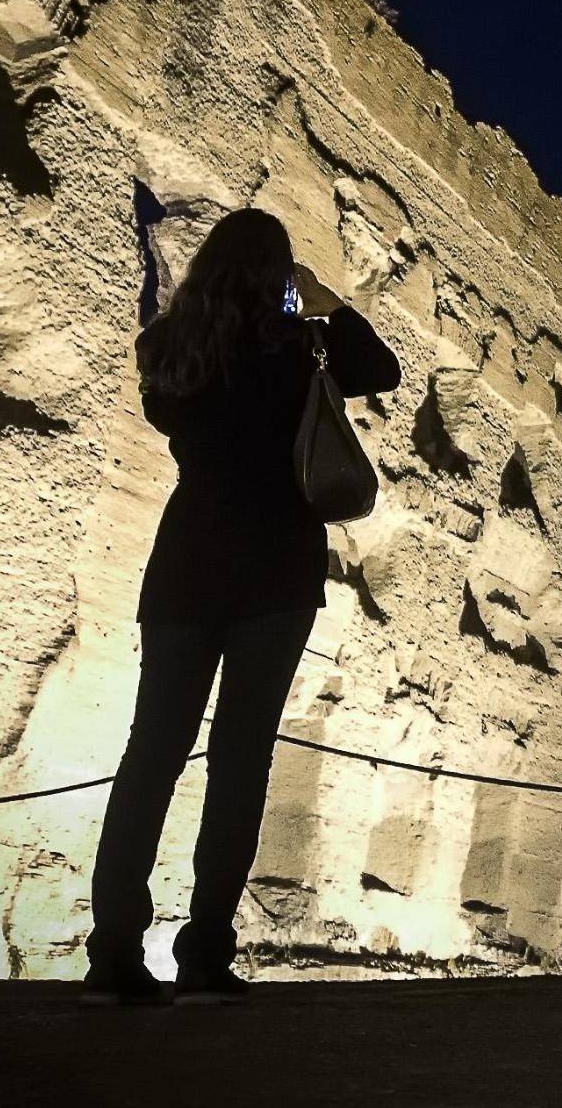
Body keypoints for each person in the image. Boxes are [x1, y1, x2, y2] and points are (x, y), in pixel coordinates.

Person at [85, 208, 399, 1005]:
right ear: (278, 274)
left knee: (150, 754)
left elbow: (170, 415)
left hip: (186, 564)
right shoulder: (298, 349)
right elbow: (381, 369)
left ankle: (113, 951)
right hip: (274, 570)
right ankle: (203, 956)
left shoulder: (166, 352)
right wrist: (323, 302)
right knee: (239, 761)